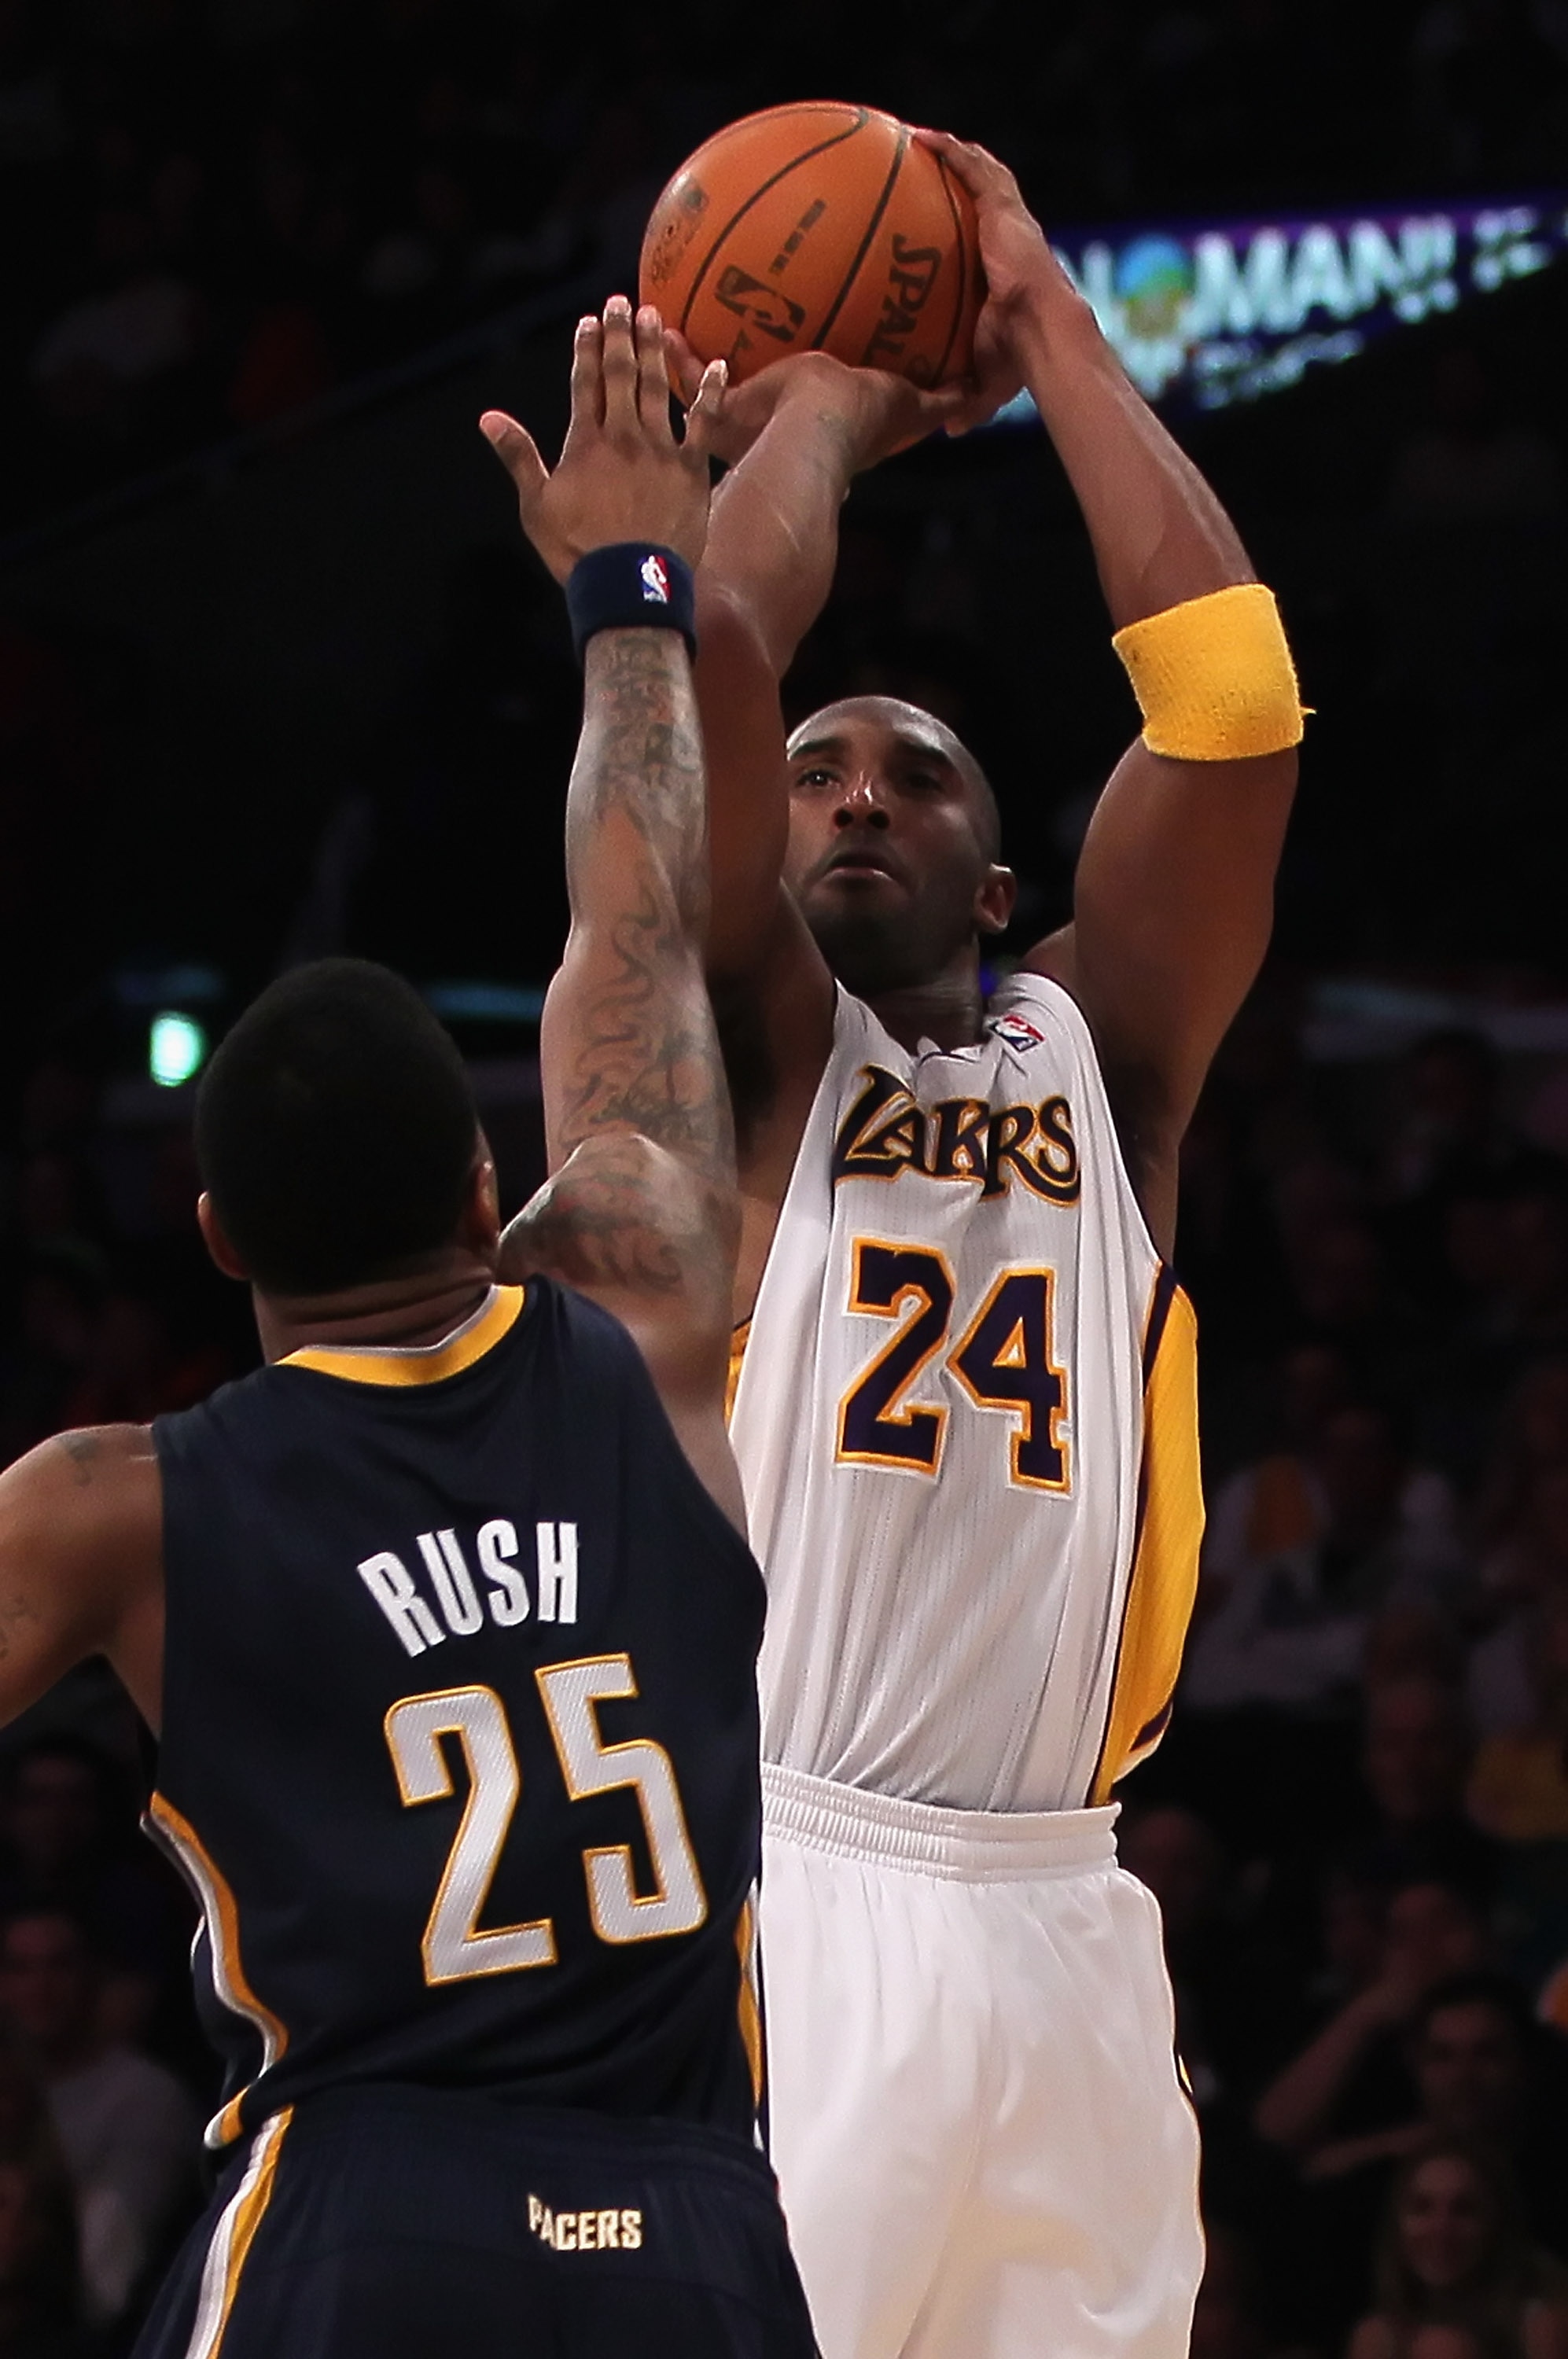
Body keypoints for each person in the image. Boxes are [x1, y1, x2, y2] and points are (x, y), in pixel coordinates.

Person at [0, 299, 815, 2357]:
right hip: (697, 2232)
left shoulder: (118, 1507)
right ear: (484, 1192)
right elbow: (634, 916)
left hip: (368, 2218)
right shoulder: (641, 1296)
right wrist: (627, 587)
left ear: (213, 1238)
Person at [668, 126, 1304, 2359]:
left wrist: (1037, 314)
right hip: (794, 1865)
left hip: (1065, 1902)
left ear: (1000, 883)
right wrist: (832, 411)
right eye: (817, 773)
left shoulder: (1101, 1056)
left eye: (915, 773)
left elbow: (1229, 705)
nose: (854, 790)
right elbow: (709, 645)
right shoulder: (760, 1054)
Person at [0, 1908, 199, 2326]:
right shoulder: (15, 2089)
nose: (40, 1987)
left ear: (94, 1977)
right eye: (20, 1968)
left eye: (60, 1966)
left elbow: (109, 2268)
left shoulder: (147, 2098)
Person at [1347, 2140, 1568, 2359]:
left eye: (1464, 2209)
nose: (1441, 2228)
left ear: (1496, 2224)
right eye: (1422, 2208)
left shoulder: (1541, 2329)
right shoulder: (1378, 2337)